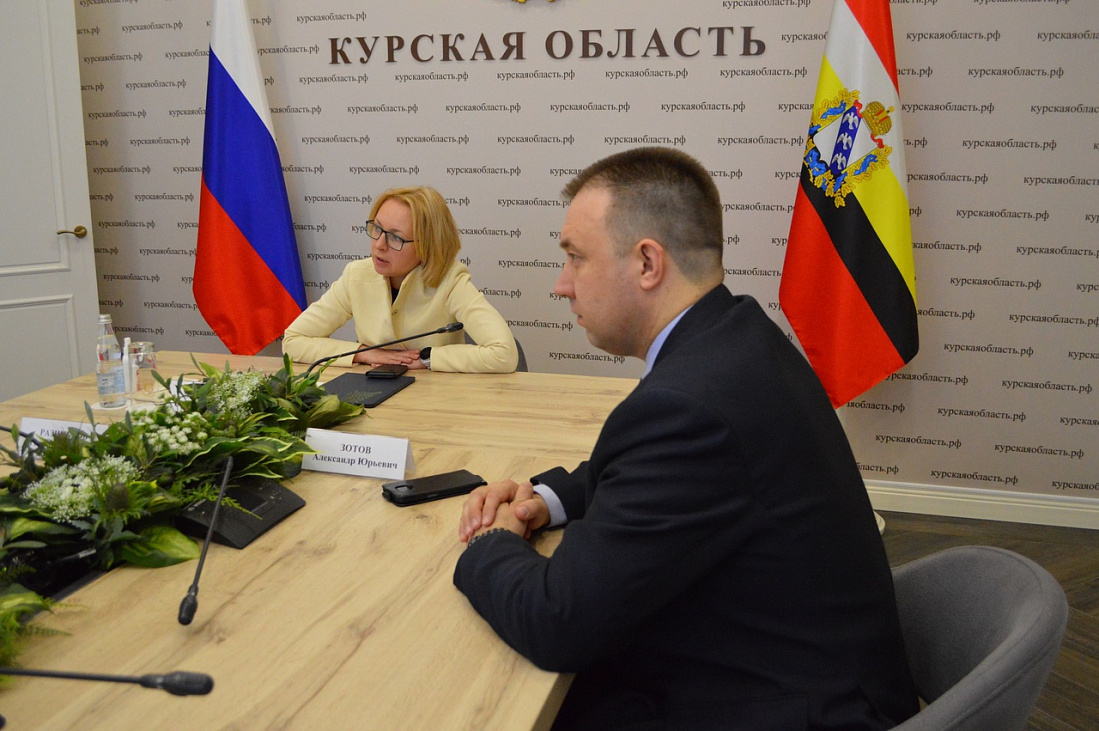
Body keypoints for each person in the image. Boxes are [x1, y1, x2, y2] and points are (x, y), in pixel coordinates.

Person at [453, 148, 917, 730]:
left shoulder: (688, 406)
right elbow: (647, 474)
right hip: (801, 664)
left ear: (648, 263)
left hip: (792, 708)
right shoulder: (736, 335)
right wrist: (543, 502)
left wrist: (490, 542)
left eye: (575, 258)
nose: (561, 285)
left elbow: (557, 623)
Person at [283, 185, 518, 373]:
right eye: (377, 229)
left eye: (395, 238)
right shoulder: (357, 275)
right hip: (374, 394)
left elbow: (503, 353)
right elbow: (293, 341)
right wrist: (362, 352)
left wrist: (427, 358)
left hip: (439, 400)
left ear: (427, 246)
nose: (379, 245)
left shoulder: (450, 281)